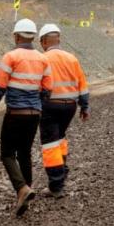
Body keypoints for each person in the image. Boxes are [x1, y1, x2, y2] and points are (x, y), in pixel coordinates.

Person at [0, 18, 52, 216]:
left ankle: (22, 189)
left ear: (16, 36)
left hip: (15, 114)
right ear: (32, 36)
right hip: (34, 115)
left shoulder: (10, 57)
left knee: (6, 153)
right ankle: (25, 194)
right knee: (25, 153)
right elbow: (47, 90)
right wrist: (36, 103)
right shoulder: (43, 59)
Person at [37, 23, 90, 198]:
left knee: (50, 144)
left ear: (44, 41)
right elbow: (82, 84)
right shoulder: (72, 58)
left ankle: (56, 185)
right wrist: (85, 106)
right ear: (58, 39)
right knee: (59, 138)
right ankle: (62, 170)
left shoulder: (43, 58)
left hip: (50, 106)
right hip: (70, 106)